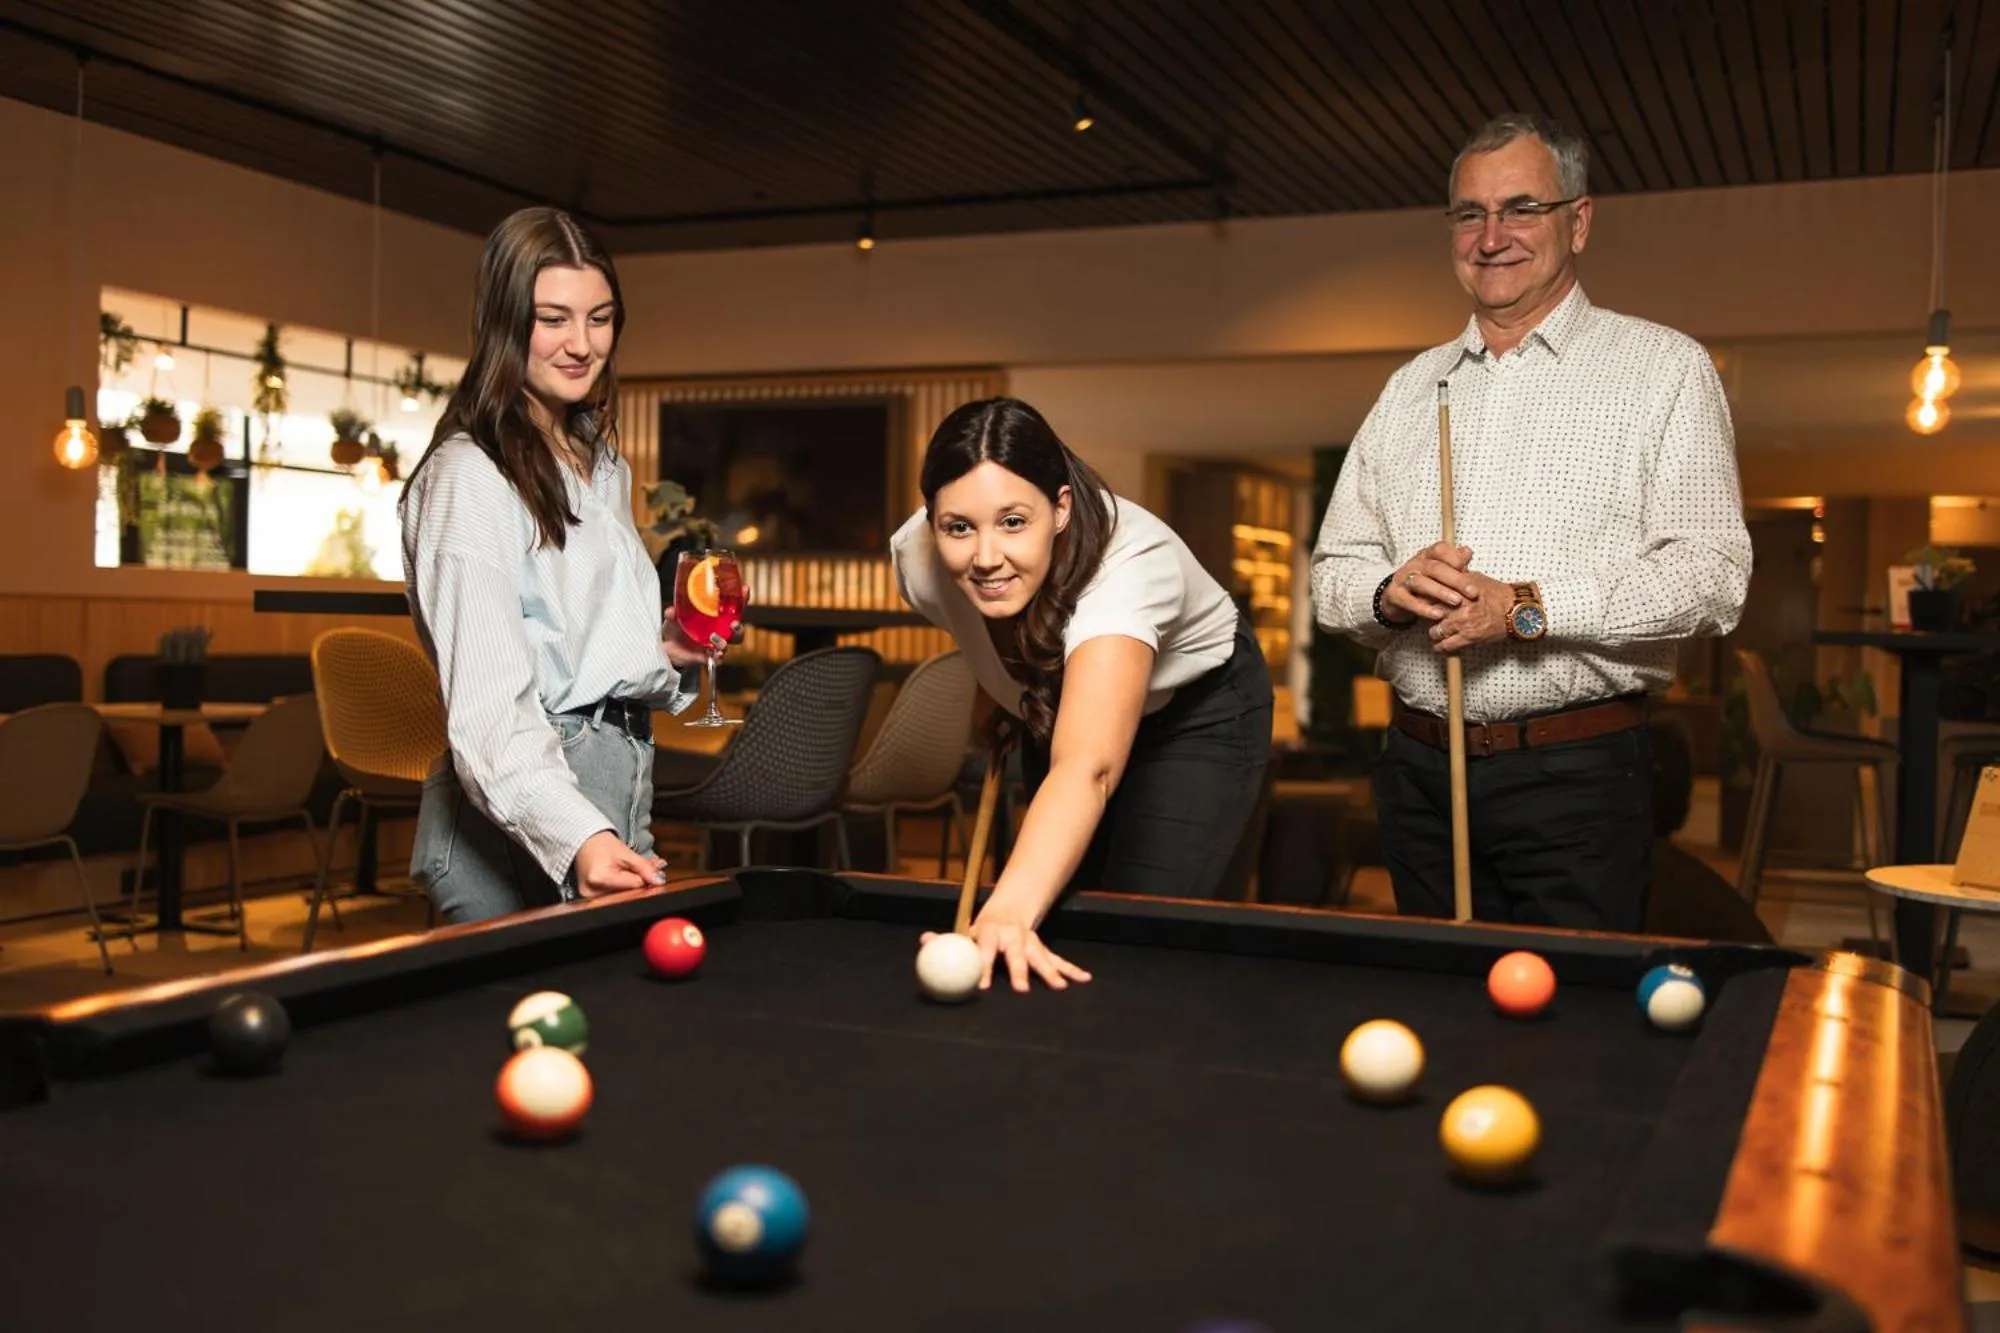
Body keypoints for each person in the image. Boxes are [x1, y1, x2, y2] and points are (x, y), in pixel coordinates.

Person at [1310, 113, 1751, 933]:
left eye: (1520, 208)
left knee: (1572, 1039)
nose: (1492, 236)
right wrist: (1388, 589)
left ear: (1577, 222)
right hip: (1418, 771)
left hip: (1575, 774)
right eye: (1470, 214)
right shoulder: (1411, 387)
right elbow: (1332, 573)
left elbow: (1712, 574)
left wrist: (1520, 607)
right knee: (1438, 1022)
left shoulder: (1664, 368)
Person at [399, 207, 715, 924]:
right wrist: (581, 837)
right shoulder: (468, 476)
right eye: (554, 319)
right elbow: (489, 712)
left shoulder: (599, 466)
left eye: (600, 319)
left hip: (610, 784)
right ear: (504, 323)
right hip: (518, 821)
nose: (582, 344)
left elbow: (569, 648)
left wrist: (661, 650)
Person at [892, 397, 1273, 992]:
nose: (986, 557)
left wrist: (1008, 912)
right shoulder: (917, 560)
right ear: (932, 520)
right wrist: (996, 686)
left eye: (1014, 522)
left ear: (1061, 508)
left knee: (1133, 920)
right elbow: (981, 627)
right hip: (1055, 695)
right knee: (1052, 903)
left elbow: (1087, 767)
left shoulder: (1127, 569)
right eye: (958, 527)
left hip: (1197, 716)